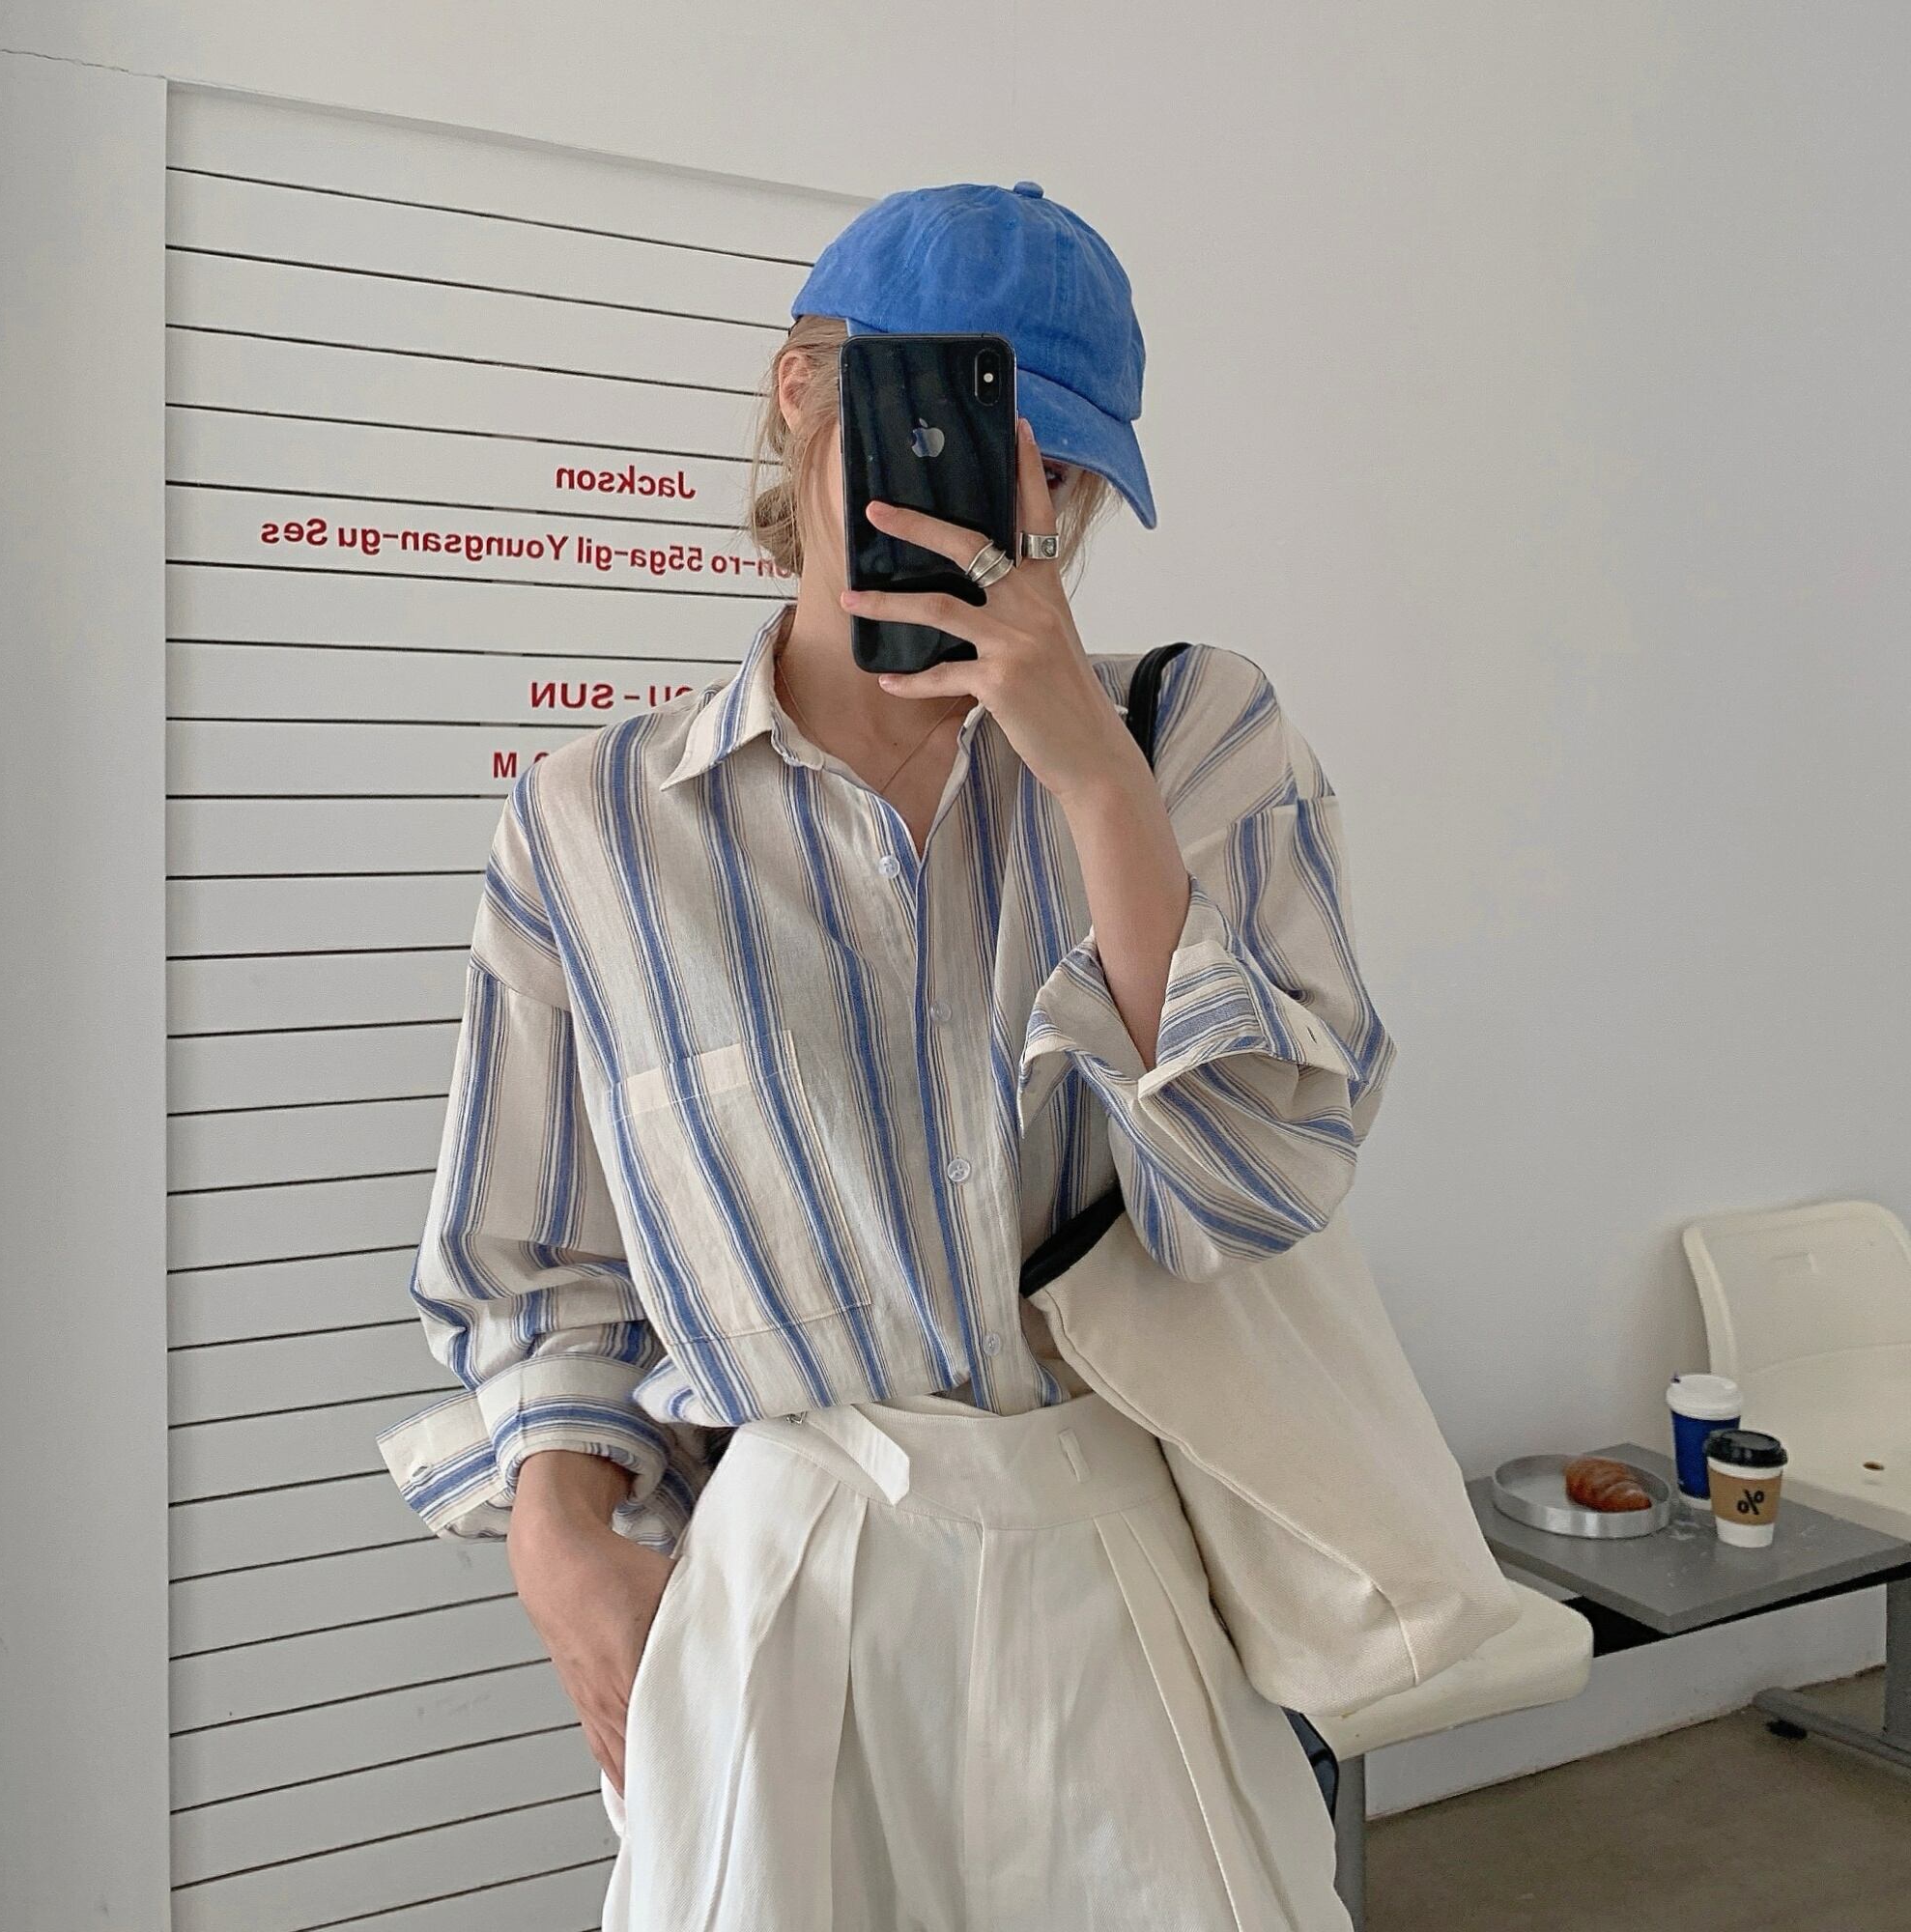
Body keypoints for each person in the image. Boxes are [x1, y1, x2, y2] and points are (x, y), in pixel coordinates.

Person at [378, 180, 1395, 1931]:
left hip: (1111, 1560)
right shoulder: (593, 827)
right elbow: (541, 1267)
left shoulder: (1196, 736)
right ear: (805, 395)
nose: (1020, 512)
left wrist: (1097, 786)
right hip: (788, 1582)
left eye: (1059, 473)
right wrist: (558, 1541)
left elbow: (1254, 1192)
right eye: (968, 436)